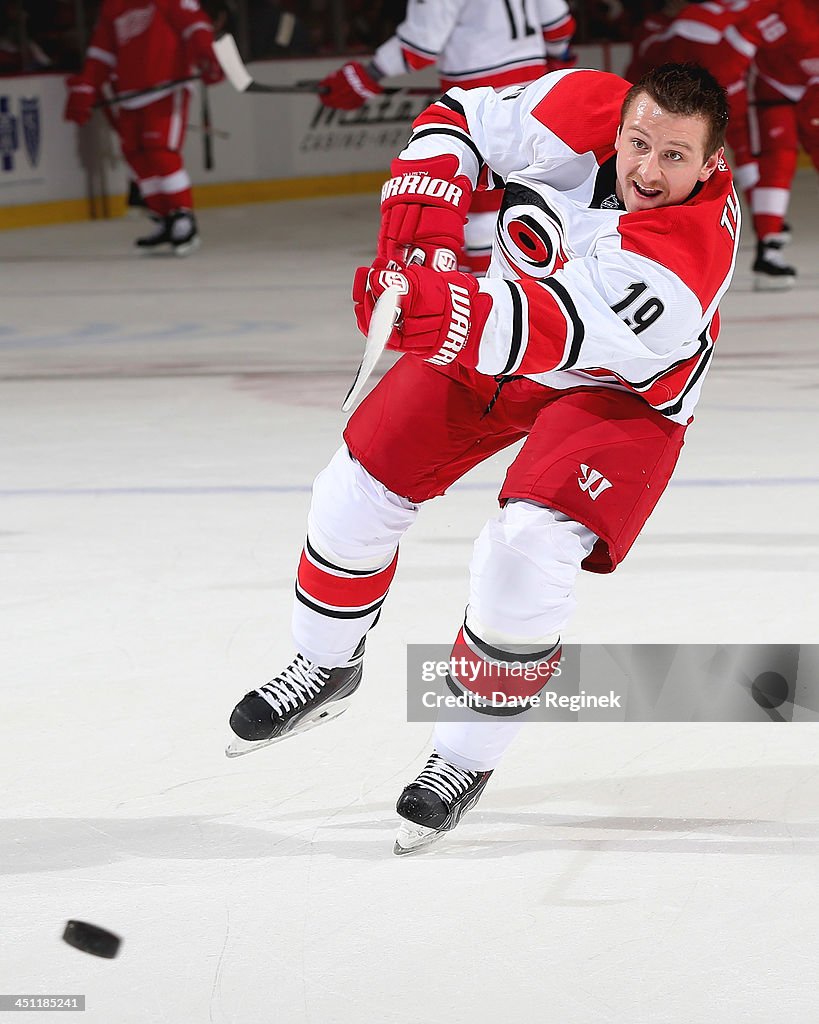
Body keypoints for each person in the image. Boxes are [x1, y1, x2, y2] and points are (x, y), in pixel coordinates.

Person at [226, 62, 739, 854]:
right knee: (350, 491)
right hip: (496, 334)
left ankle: (462, 759)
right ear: (619, 124)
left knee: (523, 553)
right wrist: (419, 231)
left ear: (708, 164)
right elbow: (457, 117)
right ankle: (323, 666)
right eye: (638, 143)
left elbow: (553, 328)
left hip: (616, 389)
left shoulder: (686, 252)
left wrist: (441, 306)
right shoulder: (577, 104)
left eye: (673, 157)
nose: (646, 170)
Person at [317, 0, 576, 275]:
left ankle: (488, 293)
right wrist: (557, 58)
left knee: (483, 203)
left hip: (477, 96)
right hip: (533, 91)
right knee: (525, 192)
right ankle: (531, 285)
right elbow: (558, 24)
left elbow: (421, 44)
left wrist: (368, 75)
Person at [63, 0, 223, 256]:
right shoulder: (114, 6)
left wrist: (205, 51)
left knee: (160, 152)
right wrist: (87, 85)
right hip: (129, 92)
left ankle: (183, 217)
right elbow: (102, 51)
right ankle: (163, 217)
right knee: (136, 156)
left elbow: (194, 24)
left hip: (166, 86)